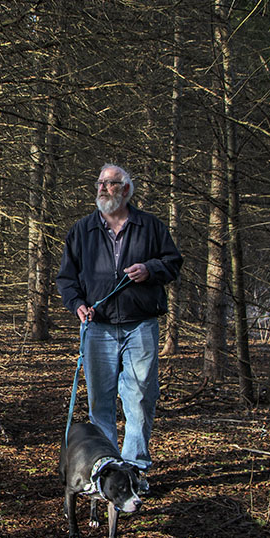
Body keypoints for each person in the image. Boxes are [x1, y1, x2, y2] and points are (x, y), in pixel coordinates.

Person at [56, 164, 183, 486]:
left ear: (126, 190)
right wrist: (77, 305)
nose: (102, 189)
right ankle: (108, 468)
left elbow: (172, 263)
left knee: (140, 396)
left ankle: (135, 468)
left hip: (140, 326)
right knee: (101, 401)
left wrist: (150, 269)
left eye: (110, 184)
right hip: (97, 328)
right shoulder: (81, 230)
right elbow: (66, 279)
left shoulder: (151, 226)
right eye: (99, 183)